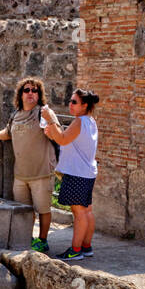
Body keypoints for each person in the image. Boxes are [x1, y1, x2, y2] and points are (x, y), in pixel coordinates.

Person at [0, 77, 59, 253]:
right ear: (21, 94)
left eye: (34, 90)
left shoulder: (43, 113)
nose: (30, 93)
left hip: (41, 171)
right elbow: (8, 133)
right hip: (20, 175)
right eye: (27, 90)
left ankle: (43, 240)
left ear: (39, 95)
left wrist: (51, 123)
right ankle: (27, 237)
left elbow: (58, 135)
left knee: (44, 209)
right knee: (24, 210)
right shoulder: (15, 115)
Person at [43, 88, 99, 261]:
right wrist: (54, 131)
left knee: (79, 213)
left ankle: (75, 250)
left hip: (77, 173)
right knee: (87, 211)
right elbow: (69, 141)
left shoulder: (79, 122)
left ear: (85, 105)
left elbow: (63, 140)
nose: (70, 104)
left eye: (74, 102)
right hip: (87, 172)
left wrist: (50, 120)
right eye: (70, 101)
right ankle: (86, 247)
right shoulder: (90, 121)